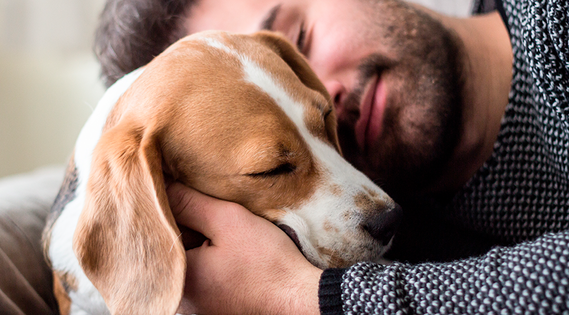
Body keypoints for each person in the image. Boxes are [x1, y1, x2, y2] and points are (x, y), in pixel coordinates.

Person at [94, 0, 569, 314]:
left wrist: (303, 297)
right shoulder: (381, 226)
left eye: (297, 39)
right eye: (270, 164)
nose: (319, 91)